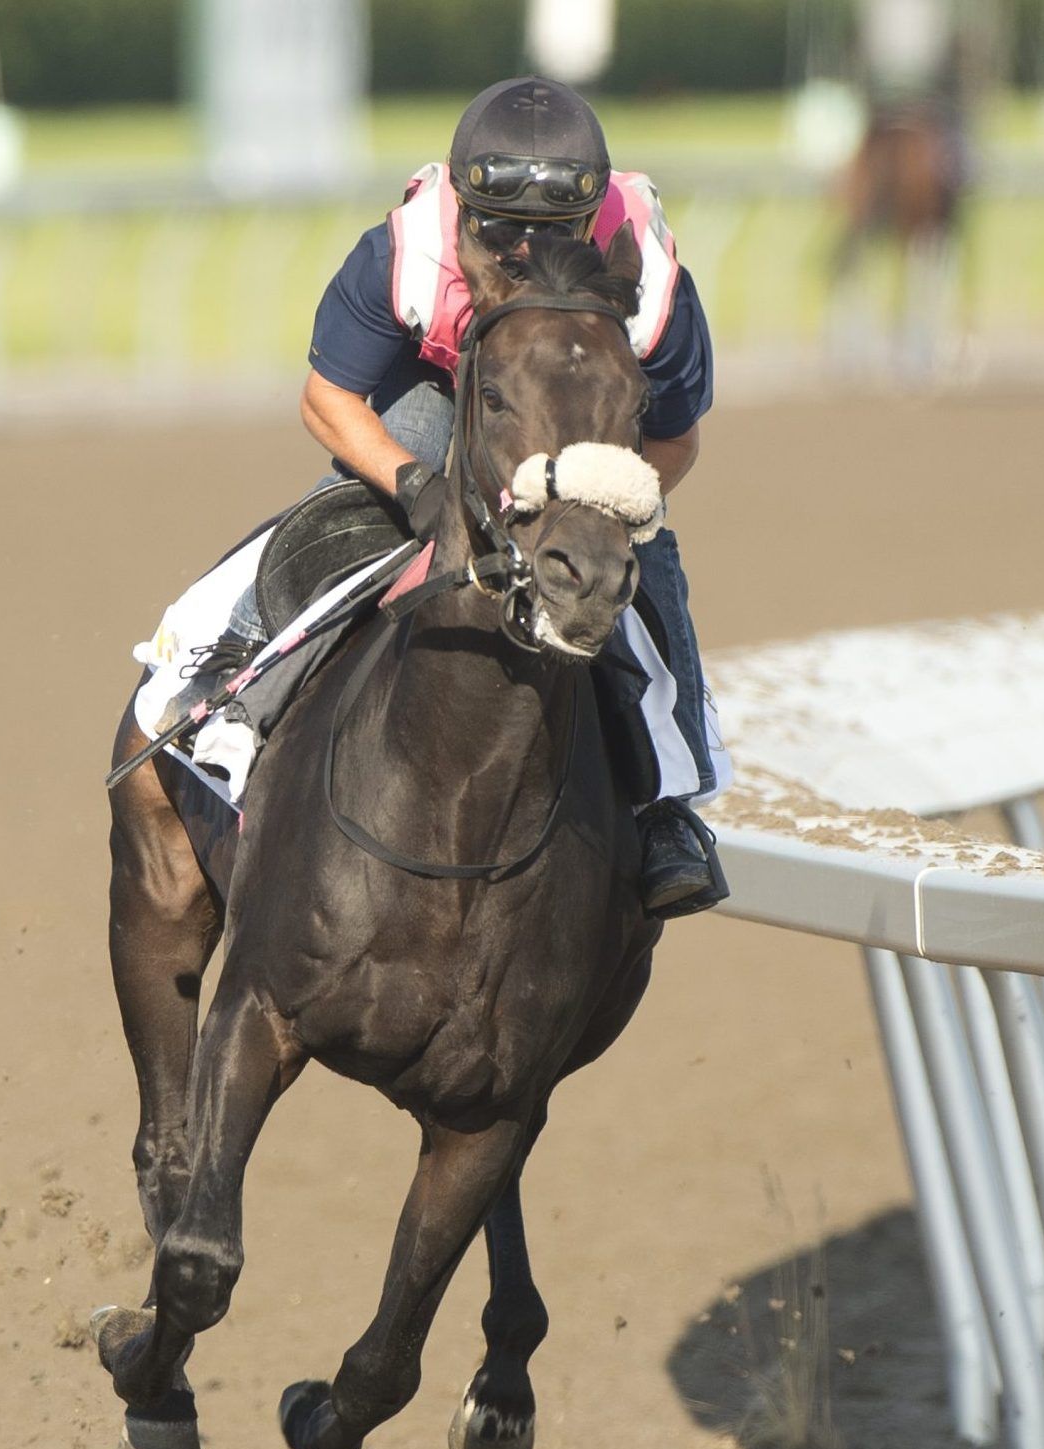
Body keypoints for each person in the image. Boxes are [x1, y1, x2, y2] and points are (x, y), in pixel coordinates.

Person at [170, 76, 725, 916]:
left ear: (592, 222)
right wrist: (416, 487)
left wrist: (603, 499)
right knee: (365, 493)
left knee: (635, 555)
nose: (523, 254)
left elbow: (676, 436)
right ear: (463, 209)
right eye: (501, 233)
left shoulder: (651, 281)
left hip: (574, 399)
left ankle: (670, 809)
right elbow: (328, 398)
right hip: (439, 387)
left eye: (550, 235)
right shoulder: (406, 251)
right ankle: (235, 675)